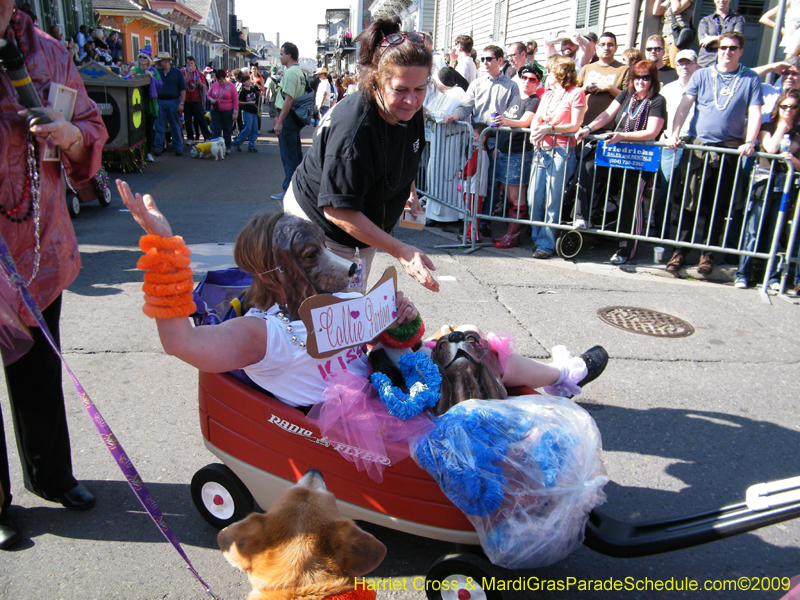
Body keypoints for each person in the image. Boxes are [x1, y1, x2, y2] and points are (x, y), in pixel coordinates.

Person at [115, 180, 608, 424]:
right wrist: (164, 250)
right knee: (465, 359)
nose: (338, 264)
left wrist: (402, 322)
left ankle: (563, 377)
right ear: (275, 273)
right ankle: (546, 401)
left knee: (469, 344)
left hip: (383, 383)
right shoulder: (261, 330)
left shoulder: (331, 296)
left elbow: (384, 343)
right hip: (360, 420)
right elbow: (181, 341)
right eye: (311, 255)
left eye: (320, 247)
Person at [0, 0, 107, 549]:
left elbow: (90, 128)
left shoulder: (48, 51)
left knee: (40, 371)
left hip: (39, 247)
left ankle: (50, 476)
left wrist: (68, 135)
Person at [280, 18, 438, 294]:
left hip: (359, 225)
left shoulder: (409, 111)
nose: (411, 100)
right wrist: (400, 250)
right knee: (325, 312)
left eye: (419, 89)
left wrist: (408, 189)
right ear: (377, 80)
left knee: (352, 302)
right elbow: (338, 210)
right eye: (400, 90)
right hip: (320, 225)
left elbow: (405, 150)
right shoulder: (354, 130)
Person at [667, 31, 762, 275]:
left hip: (728, 149)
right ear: (717, 50)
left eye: (732, 48)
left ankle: (707, 255)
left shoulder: (750, 78)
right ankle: (680, 251)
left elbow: (755, 112)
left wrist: (750, 141)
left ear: (741, 50)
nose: (727, 52)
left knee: (717, 205)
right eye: (723, 47)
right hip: (699, 148)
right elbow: (684, 105)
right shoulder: (702, 75)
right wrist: (674, 133)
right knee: (688, 203)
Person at [576, 60, 667, 264]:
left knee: (630, 200)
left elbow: (652, 131)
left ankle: (627, 248)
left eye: (646, 78)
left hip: (639, 159)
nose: (641, 82)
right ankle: (581, 216)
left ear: (653, 80)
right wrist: (589, 128)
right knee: (588, 166)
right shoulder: (626, 94)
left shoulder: (657, 100)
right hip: (617, 153)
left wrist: (623, 136)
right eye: (638, 77)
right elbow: (608, 114)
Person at [443, 45, 521, 237]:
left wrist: (503, 120)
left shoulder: (511, 85)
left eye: (489, 59)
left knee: (491, 184)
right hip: (477, 138)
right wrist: (454, 116)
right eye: (483, 59)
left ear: (500, 61)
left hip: (497, 140)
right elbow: (466, 106)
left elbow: (514, 110)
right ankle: (472, 223)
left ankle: (483, 221)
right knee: (474, 183)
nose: (485, 62)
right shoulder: (477, 83)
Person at [735, 89, 800, 291]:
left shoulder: (798, 133)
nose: (788, 110)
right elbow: (770, 148)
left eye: (793, 107)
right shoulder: (767, 126)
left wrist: (792, 159)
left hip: (785, 185)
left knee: (775, 232)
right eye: (784, 106)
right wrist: (781, 127)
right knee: (753, 231)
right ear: (778, 107)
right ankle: (742, 274)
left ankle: (769, 277)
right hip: (763, 182)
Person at [527, 56, 587, 259]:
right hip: (541, 151)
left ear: (561, 73)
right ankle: (536, 237)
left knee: (553, 200)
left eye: (550, 71)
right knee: (533, 198)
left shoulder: (576, 94)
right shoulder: (548, 95)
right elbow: (537, 119)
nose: (547, 75)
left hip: (561, 152)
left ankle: (546, 244)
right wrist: (535, 131)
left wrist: (549, 129)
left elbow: (575, 125)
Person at [573, 31, 630, 229]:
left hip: (605, 132)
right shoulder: (587, 68)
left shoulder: (623, 69)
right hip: (582, 128)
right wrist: (586, 89)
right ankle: (570, 213)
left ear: (616, 47)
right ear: (597, 48)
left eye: (611, 44)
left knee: (590, 173)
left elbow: (627, 96)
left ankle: (584, 216)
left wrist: (607, 87)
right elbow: (575, 91)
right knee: (574, 174)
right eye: (603, 44)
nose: (607, 47)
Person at [492, 63, 543, 248]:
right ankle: (511, 233)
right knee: (507, 193)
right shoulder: (516, 98)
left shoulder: (534, 100)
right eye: (524, 78)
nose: (527, 82)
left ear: (537, 83)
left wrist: (506, 121)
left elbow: (524, 122)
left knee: (516, 196)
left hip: (519, 153)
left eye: (532, 80)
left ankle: (513, 236)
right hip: (506, 151)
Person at [654, 48, 699, 235]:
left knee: (689, 191)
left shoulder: (703, 89)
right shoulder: (667, 89)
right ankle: (660, 230)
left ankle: (683, 233)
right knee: (666, 188)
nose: (685, 66)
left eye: (688, 62)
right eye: (681, 63)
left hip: (693, 144)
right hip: (669, 144)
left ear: (696, 65)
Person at [424, 66, 468, 227]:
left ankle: (449, 215)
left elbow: (444, 115)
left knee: (448, 177)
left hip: (451, 142)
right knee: (435, 176)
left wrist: (429, 114)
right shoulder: (446, 94)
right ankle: (435, 214)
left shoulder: (457, 93)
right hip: (440, 141)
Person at [272, 42, 307, 201]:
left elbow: (288, 99)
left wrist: (279, 121)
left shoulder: (290, 73)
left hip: (288, 116)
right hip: (295, 116)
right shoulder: (300, 72)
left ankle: (290, 191)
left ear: (289, 55)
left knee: (289, 156)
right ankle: (297, 188)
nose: (280, 57)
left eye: (281, 54)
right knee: (295, 154)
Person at [128, 44, 161, 163]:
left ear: (149, 59)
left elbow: (159, 87)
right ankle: (138, 153)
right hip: (137, 103)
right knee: (137, 129)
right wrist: (129, 76)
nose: (142, 59)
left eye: (144, 57)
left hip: (149, 104)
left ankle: (148, 152)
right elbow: (126, 81)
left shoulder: (154, 71)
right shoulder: (135, 70)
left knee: (149, 128)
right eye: (140, 57)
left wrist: (152, 78)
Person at [152, 52, 186, 157]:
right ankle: (158, 147)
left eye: (159, 61)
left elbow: (183, 89)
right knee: (159, 126)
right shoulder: (157, 72)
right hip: (160, 101)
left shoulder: (177, 73)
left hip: (173, 101)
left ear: (165, 61)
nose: (158, 64)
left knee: (175, 125)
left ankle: (178, 147)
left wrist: (181, 103)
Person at [697, 0, 746, 68]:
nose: (721, 0)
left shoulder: (738, 19)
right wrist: (728, 42)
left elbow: (737, 39)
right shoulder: (706, 20)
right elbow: (703, 42)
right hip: (706, 63)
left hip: (727, 64)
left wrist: (712, 38)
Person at [753, 57, 800, 122]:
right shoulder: (767, 90)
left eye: (794, 73)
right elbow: (742, 78)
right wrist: (771, 67)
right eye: (786, 73)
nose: (789, 77)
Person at [653, 0, 695, 65]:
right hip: (666, 36)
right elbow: (656, 11)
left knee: (674, 65)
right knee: (664, 65)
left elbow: (676, 9)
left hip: (677, 37)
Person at [208, 68, 238, 153]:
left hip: (227, 111)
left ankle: (227, 147)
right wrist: (211, 100)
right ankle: (215, 148)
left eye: (221, 79)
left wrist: (235, 112)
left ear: (225, 78)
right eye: (218, 80)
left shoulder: (231, 86)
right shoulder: (214, 85)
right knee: (216, 129)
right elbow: (208, 95)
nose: (220, 81)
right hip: (215, 110)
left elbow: (235, 100)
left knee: (227, 130)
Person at [182, 55, 211, 145]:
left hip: (197, 100)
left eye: (191, 63)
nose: (190, 65)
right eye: (188, 63)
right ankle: (190, 138)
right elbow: (183, 84)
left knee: (201, 119)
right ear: (186, 64)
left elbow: (204, 87)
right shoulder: (183, 72)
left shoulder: (199, 74)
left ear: (194, 64)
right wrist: (188, 74)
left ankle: (206, 136)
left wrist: (200, 84)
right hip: (187, 100)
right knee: (188, 120)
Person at [232, 76, 259, 152]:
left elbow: (257, 98)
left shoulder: (253, 89)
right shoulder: (243, 91)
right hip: (247, 111)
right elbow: (239, 101)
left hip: (254, 111)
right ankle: (236, 142)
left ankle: (251, 145)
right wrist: (248, 103)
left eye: (249, 80)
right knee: (247, 128)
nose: (249, 82)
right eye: (247, 81)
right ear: (243, 83)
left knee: (255, 130)